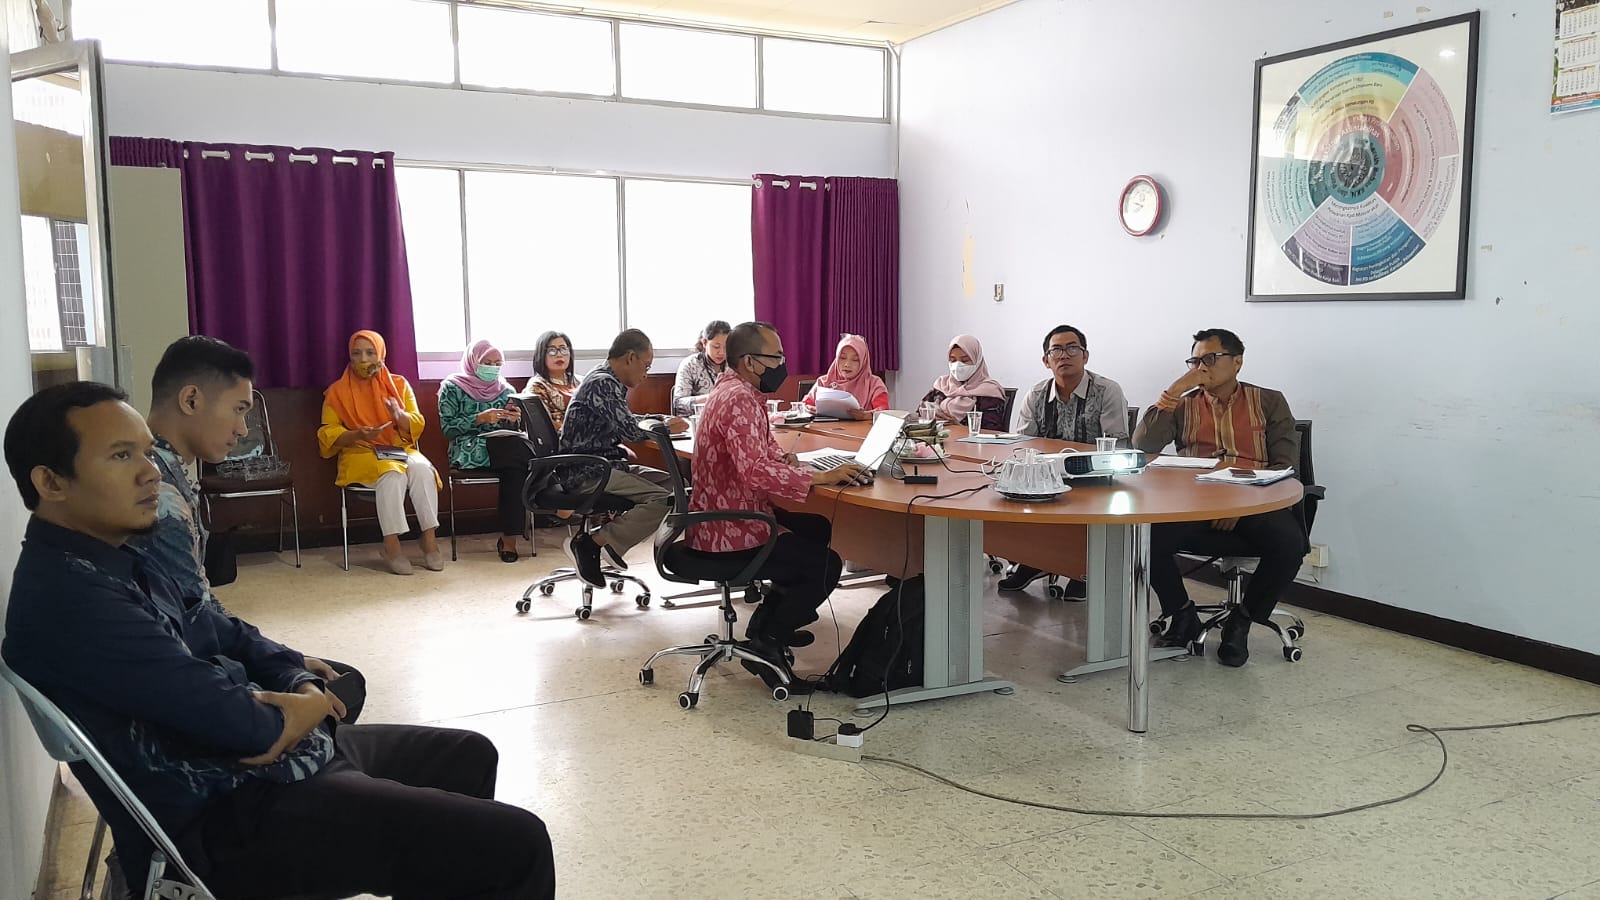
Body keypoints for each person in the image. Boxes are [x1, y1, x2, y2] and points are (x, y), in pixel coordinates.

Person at [2, 382, 555, 898]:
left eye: (147, 453)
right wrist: (307, 704)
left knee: (468, 755)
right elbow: (250, 728)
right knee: (516, 842)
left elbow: (218, 628)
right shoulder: (72, 601)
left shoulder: (111, 553)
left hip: (271, 765)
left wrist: (296, 678)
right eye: (122, 456)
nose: (150, 473)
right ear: (51, 483)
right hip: (229, 814)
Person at [137, 335, 368, 721]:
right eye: (239, 409)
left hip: (189, 657)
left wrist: (282, 657)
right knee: (343, 687)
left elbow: (198, 604)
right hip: (188, 684)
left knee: (335, 679)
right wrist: (284, 670)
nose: (244, 430)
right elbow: (196, 623)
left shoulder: (160, 470)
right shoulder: (158, 495)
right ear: (191, 400)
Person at [687, 321, 866, 688]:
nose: (783, 364)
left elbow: (760, 453)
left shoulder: (734, 389)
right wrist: (820, 477)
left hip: (722, 515)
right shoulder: (739, 399)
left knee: (816, 527)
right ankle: (769, 640)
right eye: (777, 357)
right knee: (825, 565)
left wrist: (793, 463)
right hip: (729, 527)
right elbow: (754, 471)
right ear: (750, 362)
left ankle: (766, 626)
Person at [1132, 328, 1307, 667]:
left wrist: (1238, 502)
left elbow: (1285, 467)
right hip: (1196, 504)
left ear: (1237, 362)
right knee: (1144, 536)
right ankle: (1181, 614)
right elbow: (1143, 446)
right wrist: (1173, 391)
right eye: (1195, 360)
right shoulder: (1183, 405)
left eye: (1210, 359)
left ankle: (1242, 620)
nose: (1201, 367)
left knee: (1290, 545)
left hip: (1254, 503)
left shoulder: (1269, 401)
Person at [1002, 325, 1131, 594]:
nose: (1064, 355)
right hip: (1047, 479)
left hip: (1096, 479)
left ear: (1085, 356)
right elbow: (1023, 445)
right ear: (1046, 360)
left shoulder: (1107, 391)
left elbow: (1117, 445)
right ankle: (1035, 559)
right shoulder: (1036, 394)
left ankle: (1084, 569)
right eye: (1056, 350)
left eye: (1072, 348)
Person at [557, 329, 686, 587]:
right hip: (589, 470)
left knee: (678, 489)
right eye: (646, 366)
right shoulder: (602, 382)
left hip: (605, 465)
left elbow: (624, 420)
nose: (646, 374)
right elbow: (630, 431)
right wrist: (664, 427)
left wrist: (658, 419)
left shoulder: (606, 378)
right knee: (664, 499)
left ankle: (607, 543)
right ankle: (593, 543)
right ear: (630, 357)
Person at [318, 330, 444, 576]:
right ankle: (391, 546)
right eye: (357, 353)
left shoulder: (399, 384)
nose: (364, 359)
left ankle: (429, 540)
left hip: (398, 450)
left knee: (422, 469)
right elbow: (327, 431)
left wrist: (399, 416)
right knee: (392, 474)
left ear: (381, 355)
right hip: (360, 452)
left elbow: (416, 422)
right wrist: (357, 434)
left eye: (370, 352)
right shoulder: (337, 392)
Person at [439, 339, 526, 562]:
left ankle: (509, 539)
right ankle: (515, 535)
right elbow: (447, 429)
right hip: (467, 447)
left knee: (516, 461)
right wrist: (479, 418)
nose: (493, 368)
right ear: (473, 361)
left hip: (502, 448)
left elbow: (511, 429)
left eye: (498, 363)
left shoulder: (507, 390)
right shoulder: (452, 387)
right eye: (487, 362)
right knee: (520, 459)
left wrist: (513, 420)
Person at [922, 334, 1008, 432]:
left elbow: (992, 431)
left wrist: (959, 427)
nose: (958, 365)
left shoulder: (989, 391)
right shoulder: (942, 385)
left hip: (970, 441)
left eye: (965, 360)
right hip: (940, 439)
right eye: (953, 360)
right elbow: (921, 412)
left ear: (977, 360)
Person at [802, 333, 890, 420]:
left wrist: (866, 416)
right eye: (843, 358)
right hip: (827, 429)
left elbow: (884, 412)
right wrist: (809, 410)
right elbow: (803, 406)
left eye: (855, 360)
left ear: (863, 361)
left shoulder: (874, 384)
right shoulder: (823, 382)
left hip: (862, 429)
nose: (847, 364)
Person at [522, 330, 581, 432]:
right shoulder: (537, 386)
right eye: (552, 350)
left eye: (563, 349)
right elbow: (543, 424)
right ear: (542, 355)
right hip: (561, 438)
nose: (559, 355)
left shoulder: (582, 382)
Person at [671, 319, 731, 416]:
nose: (721, 352)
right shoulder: (690, 364)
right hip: (699, 420)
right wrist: (711, 398)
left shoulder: (733, 365)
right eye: (716, 347)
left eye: (726, 347)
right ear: (704, 343)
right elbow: (678, 404)